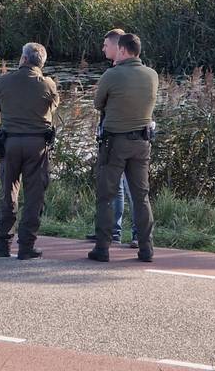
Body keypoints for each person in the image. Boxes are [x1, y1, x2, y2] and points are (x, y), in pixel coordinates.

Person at [88, 32, 158, 263]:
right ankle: (146, 248)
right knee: (141, 197)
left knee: (107, 196)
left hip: (115, 143)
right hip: (142, 143)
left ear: (124, 50)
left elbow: (99, 103)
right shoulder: (152, 75)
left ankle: (103, 247)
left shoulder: (112, 74)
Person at [0, 42, 59, 260]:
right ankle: (26, 245)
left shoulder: (3, 81)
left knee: (9, 192)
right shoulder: (47, 84)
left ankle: (3, 243)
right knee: (34, 195)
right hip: (37, 145)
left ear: (24, 59)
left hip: (9, 143)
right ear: (41, 63)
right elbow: (53, 107)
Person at [84, 28, 140, 247]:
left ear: (119, 47)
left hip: (121, 137)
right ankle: (115, 232)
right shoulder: (120, 71)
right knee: (118, 187)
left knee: (127, 187)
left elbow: (100, 102)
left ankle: (133, 234)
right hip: (121, 135)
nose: (103, 49)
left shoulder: (118, 74)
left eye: (106, 45)